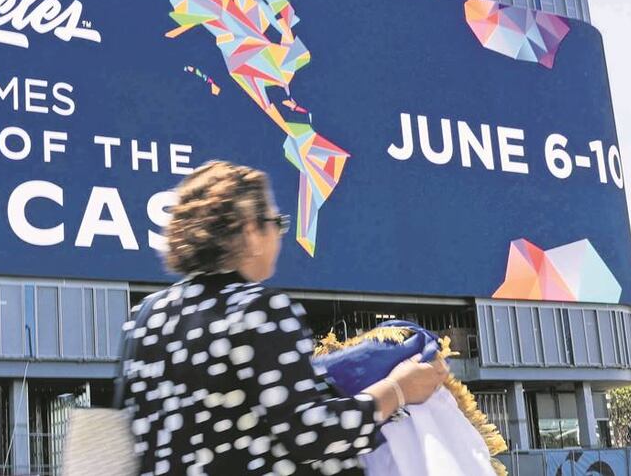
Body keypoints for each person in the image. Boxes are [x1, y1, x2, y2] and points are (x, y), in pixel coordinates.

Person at [120, 161, 448, 475]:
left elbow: (130, 432)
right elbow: (312, 434)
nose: (280, 235)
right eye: (277, 223)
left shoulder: (146, 315)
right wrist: (398, 390)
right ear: (250, 231)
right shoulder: (258, 309)